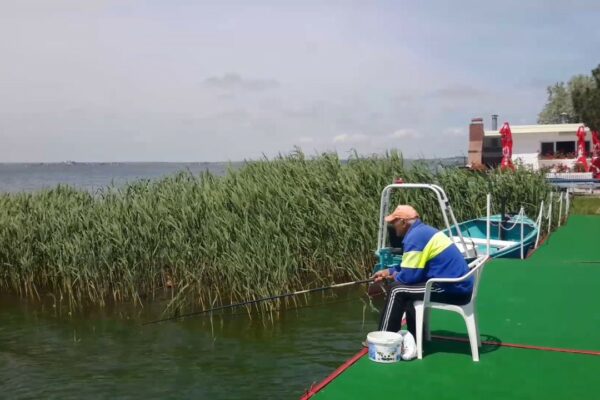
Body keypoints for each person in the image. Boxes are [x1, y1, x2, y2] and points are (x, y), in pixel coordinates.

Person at [372, 205, 473, 339]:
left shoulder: (414, 238)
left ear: (403, 222)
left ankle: (384, 337)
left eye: (394, 221)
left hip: (452, 290)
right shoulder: (422, 232)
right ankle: (416, 337)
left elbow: (407, 278)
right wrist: (389, 271)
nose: (392, 225)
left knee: (397, 290)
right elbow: (410, 267)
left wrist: (391, 278)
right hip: (458, 285)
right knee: (405, 290)